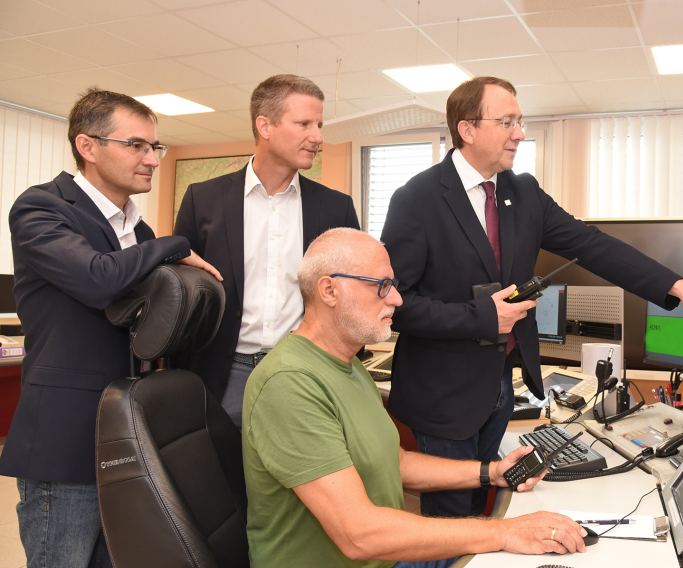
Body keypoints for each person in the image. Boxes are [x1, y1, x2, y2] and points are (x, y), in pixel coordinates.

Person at [381, 76, 683, 517]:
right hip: (442, 395)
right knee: (451, 519)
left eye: (520, 121)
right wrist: (481, 317)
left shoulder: (522, 193)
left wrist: (679, 287)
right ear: (467, 129)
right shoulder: (417, 199)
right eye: (506, 122)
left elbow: (593, 246)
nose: (519, 133)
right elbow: (395, 304)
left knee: (485, 509)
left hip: (499, 387)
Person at [242, 227, 586, 567]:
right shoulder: (288, 383)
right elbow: (358, 535)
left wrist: (492, 472)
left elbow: (395, 462)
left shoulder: (348, 364)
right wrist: (505, 531)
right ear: (329, 290)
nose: (397, 298)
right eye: (381, 285)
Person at [0, 88, 220, 568]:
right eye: (136, 145)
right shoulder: (42, 207)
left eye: (154, 147)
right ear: (88, 146)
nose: (152, 159)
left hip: (126, 435)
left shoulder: (136, 231)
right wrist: (175, 244)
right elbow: (97, 279)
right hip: (65, 438)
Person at [174, 74, 360, 425]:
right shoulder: (203, 200)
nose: (317, 137)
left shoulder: (336, 208)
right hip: (223, 374)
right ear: (265, 126)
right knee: (220, 462)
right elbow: (184, 293)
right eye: (304, 124)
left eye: (319, 125)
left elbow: (353, 294)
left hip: (304, 370)